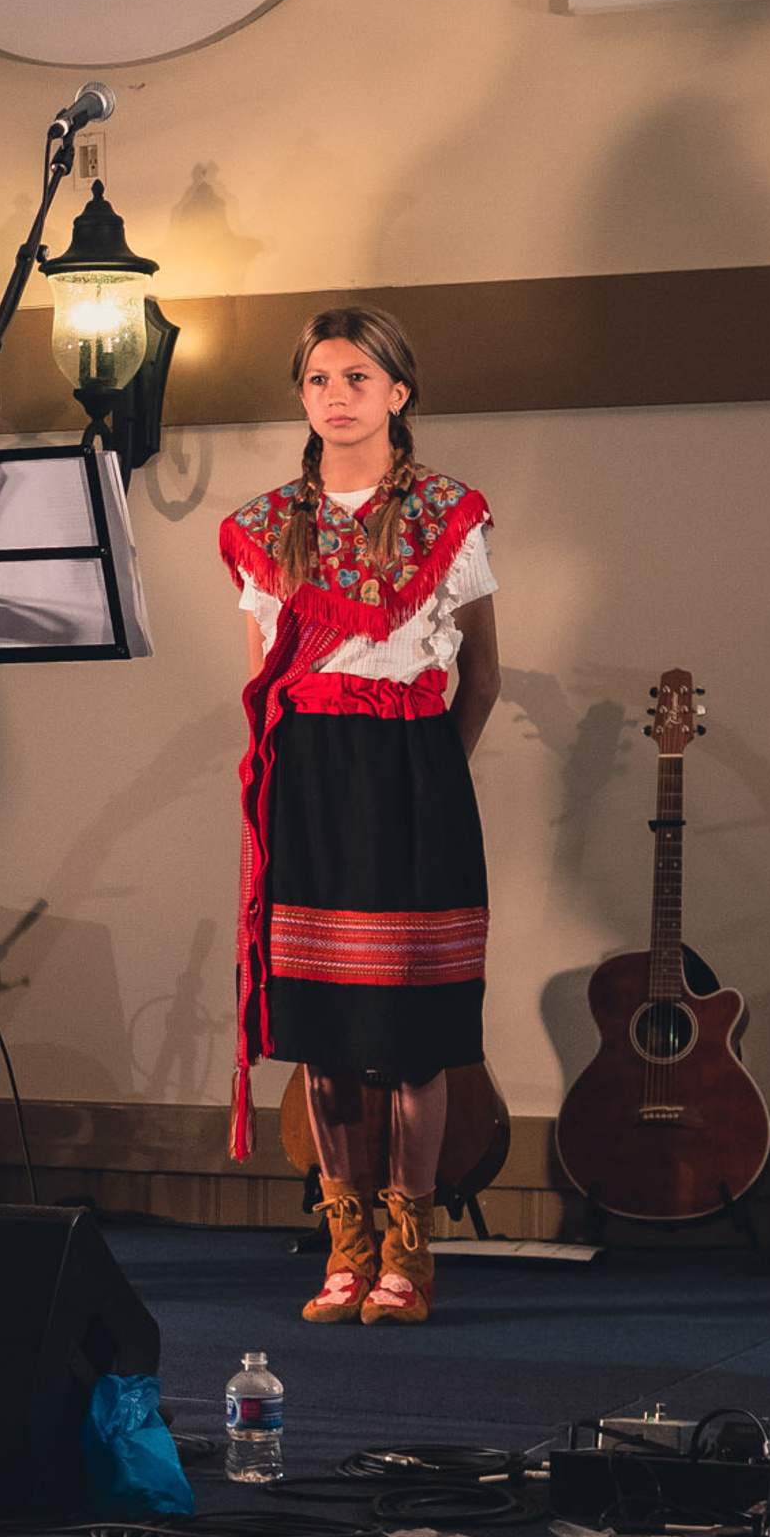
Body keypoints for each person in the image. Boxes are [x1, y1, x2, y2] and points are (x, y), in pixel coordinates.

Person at [221, 307, 500, 1326]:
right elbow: (263, 682)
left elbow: (481, 675)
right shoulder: (267, 526)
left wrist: (425, 774)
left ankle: (410, 1250)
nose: (334, 395)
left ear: (397, 392)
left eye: (356, 376)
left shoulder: (447, 513)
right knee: (329, 1031)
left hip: (414, 769)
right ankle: (345, 1242)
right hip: (309, 778)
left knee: (414, 1030)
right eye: (316, 380)